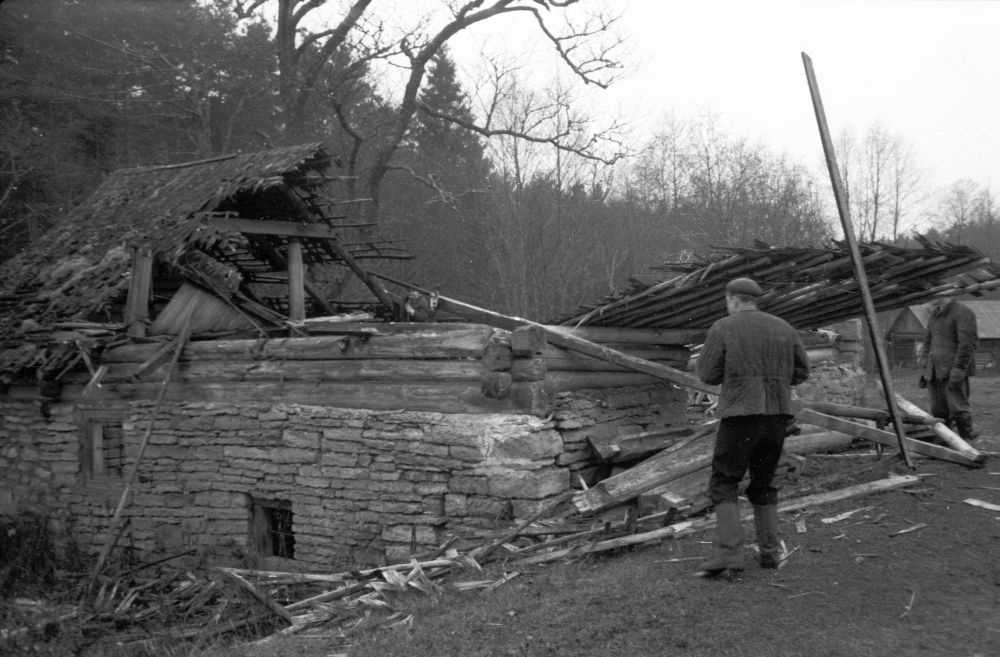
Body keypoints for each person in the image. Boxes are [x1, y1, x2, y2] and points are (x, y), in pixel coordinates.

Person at [695, 277, 810, 576]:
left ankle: (730, 555)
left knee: (724, 481)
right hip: (776, 415)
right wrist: (776, 382)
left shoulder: (723, 327)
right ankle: (770, 554)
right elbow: (802, 371)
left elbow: (707, 373)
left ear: (733, 299)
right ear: (755, 300)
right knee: (764, 482)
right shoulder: (783, 327)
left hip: (741, 415)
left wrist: (737, 378)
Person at [917, 297, 978, 441]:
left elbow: (968, 344)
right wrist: (924, 367)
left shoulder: (962, 312)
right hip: (934, 369)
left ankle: (966, 438)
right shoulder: (935, 313)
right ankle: (945, 440)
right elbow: (927, 342)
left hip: (952, 369)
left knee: (958, 408)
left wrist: (959, 368)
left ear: (943, 294)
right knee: (938, 409)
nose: (929, 298)